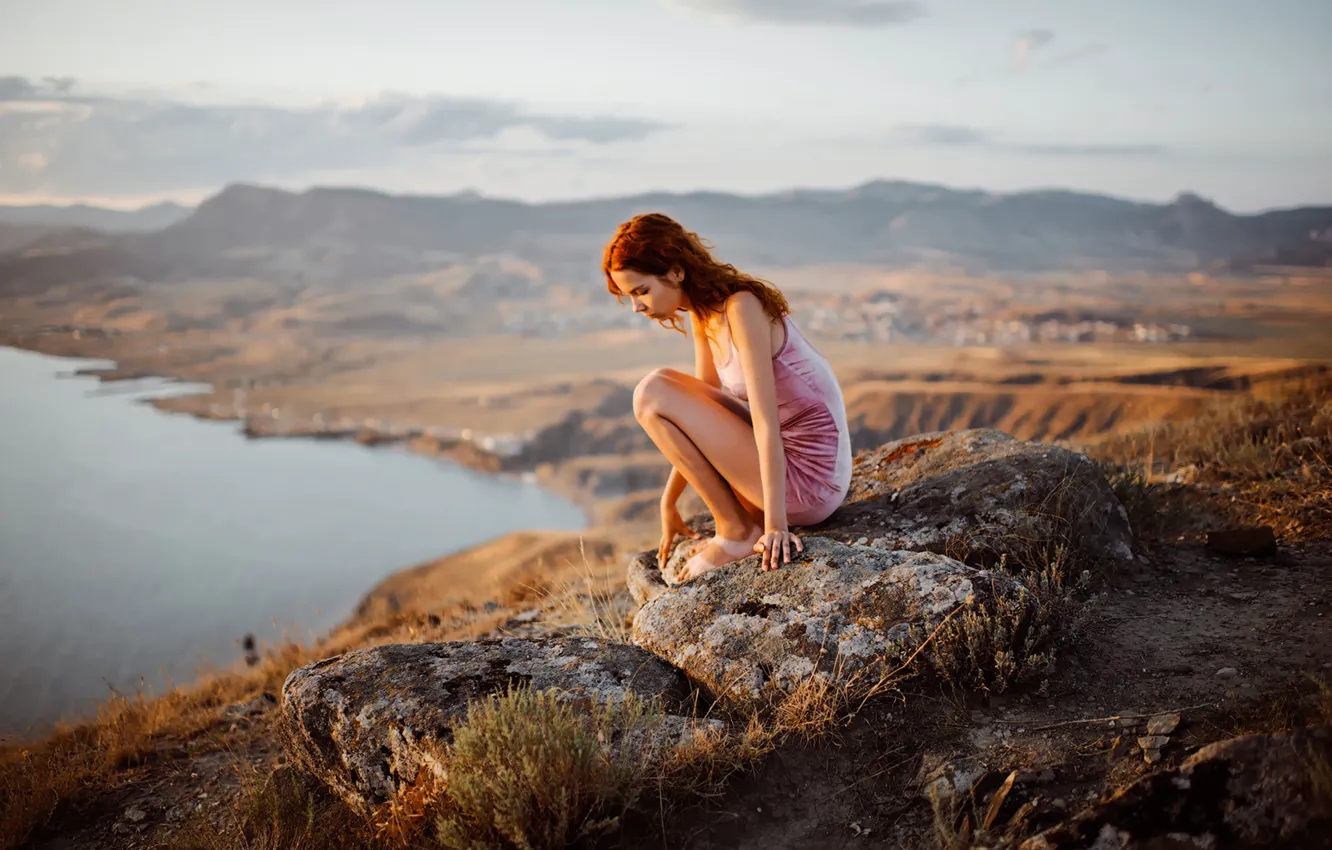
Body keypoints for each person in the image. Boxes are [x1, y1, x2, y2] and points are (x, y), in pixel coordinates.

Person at [603, 213, 852, 583]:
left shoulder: (742, 307)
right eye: (630, 297)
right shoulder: (705, 315)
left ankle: (737, 533)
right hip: (788, 465)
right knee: (662, 385)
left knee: (652, 390)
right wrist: (668, 501)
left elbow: (765, 419)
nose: (638, 307)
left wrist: (775, 527)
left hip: (809, 483)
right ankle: (736, 524)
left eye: (641, 291)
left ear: (675, 271)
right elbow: (698, 419)